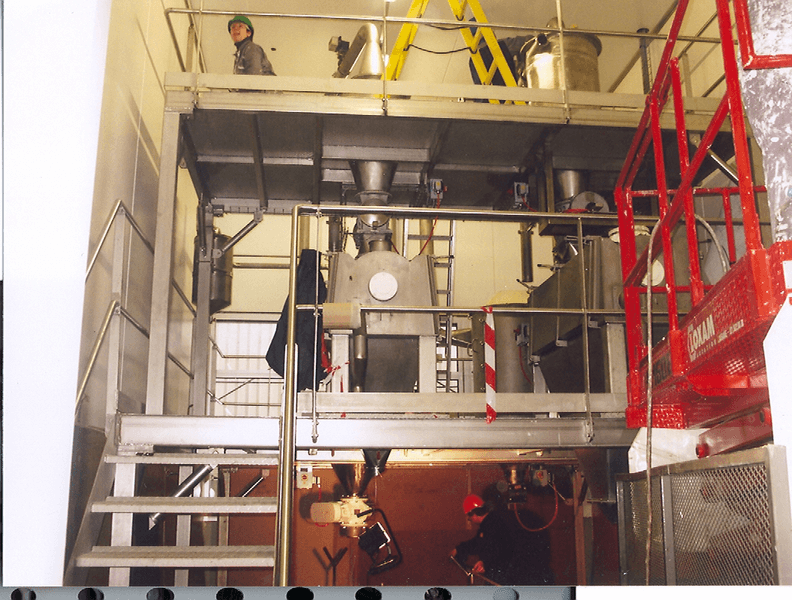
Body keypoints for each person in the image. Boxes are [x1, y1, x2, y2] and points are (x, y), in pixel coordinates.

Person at [451, 493, 554, 586]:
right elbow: (479, 543)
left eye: (469, 517)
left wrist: (485, 562)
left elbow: (501, 547)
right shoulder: (490, 523)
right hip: (510, 573)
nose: (470, 520)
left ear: (474, 513)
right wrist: (459, 549)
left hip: (508, 575)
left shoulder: (493, 524)